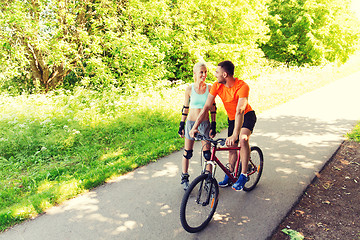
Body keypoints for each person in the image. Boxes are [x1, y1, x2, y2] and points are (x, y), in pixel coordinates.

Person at [189, 60, 257, 192]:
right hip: (232, 119)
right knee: (231, 147)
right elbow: (206, 107)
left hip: (247, 116)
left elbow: (240, 111)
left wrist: (235, 134)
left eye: (217, 72)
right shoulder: (217, 86)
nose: (214, 75)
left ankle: (243, 175)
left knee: (242, 139)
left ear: (225, 75)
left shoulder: (242, 86)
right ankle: (230, 173)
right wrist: (194, 126)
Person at [178, 62, 217, 190]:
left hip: (205, 124)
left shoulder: (210, 88)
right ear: (195, 73)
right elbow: (185, 107)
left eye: (205, 72)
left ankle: (208, 179)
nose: (204, 74)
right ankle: (184, 178)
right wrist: (182, 124)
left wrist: (213, 124)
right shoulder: (189, 89)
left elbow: (213, 108)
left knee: (207, 154)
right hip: (191, 123)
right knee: (187, 153)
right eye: (201, 72)